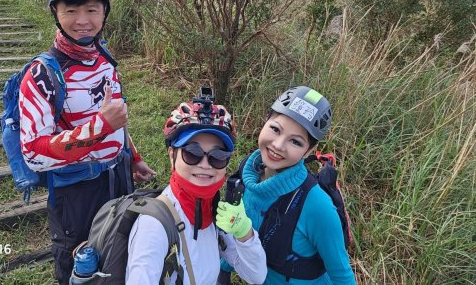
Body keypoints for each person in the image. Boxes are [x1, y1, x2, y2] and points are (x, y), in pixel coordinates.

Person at [18, 0, 156, 285]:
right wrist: (101, 128)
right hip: (76, 190)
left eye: (92, 10)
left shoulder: (104, 59)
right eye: (71, 10)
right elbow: (34, 153)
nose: (83, 21)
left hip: (117, 175)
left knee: (118, 248)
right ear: (56, 13)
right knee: (77, 262)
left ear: (105, 12)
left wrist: (132, 157)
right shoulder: (42, 75)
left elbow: (114, 116)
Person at [125, 94, 268, 285]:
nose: (205, 164)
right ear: (171, 156)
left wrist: (244, 232)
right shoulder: (153, 227)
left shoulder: (214, 212)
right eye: (192, 153)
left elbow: (256, 275)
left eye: (217, 156)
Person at [221, 86, 355, 285]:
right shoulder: (248, 176)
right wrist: (222, 272)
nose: (278, 145)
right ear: (265, 120)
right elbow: (238, 229)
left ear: (309, 149)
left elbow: (342, 276)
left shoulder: (317, 207)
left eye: (295, 142)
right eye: (275, 129)